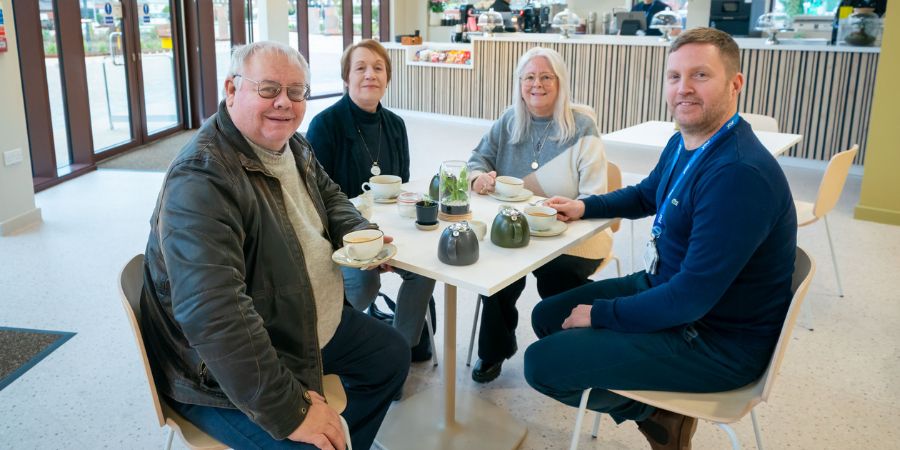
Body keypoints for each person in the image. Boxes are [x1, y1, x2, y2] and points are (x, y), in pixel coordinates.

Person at [524, 28, 797, 450]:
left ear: (735, 84)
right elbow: (648, 194)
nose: (683, 89)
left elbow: (690, 299)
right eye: (674, 76)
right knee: (547, 317)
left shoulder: (739, 175)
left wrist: (602, 315)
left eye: (700, 75)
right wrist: (586, 206)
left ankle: (655, 415)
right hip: (669, 288)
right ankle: (654, 410)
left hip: (714, 340)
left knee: (542, 365)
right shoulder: (686, 141)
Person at [140, 41, 410, 450]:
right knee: (309, 443)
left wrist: (360, 234)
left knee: (391, 356)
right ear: (232, 90)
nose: (284, 103)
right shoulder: (202, 178)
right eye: (268, 89)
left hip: (297, 324)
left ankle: (343, 438)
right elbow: (215, 316)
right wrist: (292, 412)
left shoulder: (292, 144)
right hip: (218, 371)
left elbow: (331, 197)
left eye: (296, 92)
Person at [467, 47, 611, 383]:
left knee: (555, 275)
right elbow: (477, 159)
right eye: (529, 77)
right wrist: (479, 177)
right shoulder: (509, 121)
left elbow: (597, 196)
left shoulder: (582, 127)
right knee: (496, 268)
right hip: (519, 230)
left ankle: (565, 350)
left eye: (546, 76)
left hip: (575, 233)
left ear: (559, 82)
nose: (537, 84)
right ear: (520, 84)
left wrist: (572, 212)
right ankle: (493, 351)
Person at [307, 39, 438, 362]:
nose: (370, 75)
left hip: (389, 230)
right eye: (360, 68)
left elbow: (402, 189)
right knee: (364, 284)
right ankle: (349, 341)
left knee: (426, 268)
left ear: (387, 78)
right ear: (346, 77)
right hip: (343, 237)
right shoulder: (325, 125)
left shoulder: (395, 125)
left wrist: (394, 240)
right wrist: (368, 243)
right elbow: (315, 200)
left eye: (378, 68)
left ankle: (399, 351)